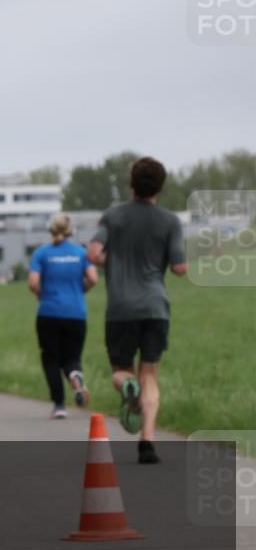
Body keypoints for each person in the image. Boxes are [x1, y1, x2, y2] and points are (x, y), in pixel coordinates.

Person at [87, 157, 187, 464]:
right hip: (155, 307)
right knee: (150, 375)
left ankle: (125, 387)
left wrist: (111, 262)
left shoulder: (113, 216)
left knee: (121, 371)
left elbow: (92, 252)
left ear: (131, 184)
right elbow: (180, 268)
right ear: (160, 186)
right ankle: (147, 441)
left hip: (121, 309)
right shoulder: (170, 221)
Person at [28, 213, 98, 419]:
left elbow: (33, 283)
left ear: (51, 230)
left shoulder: (42, 253)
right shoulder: (80, 252)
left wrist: (42, 294)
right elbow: (93, 278)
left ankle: (59, 405)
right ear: (70, 230)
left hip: (48, 312)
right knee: (72, 358)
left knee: (50, 360)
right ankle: (75, 375)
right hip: (76, 313)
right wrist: (80, 291)